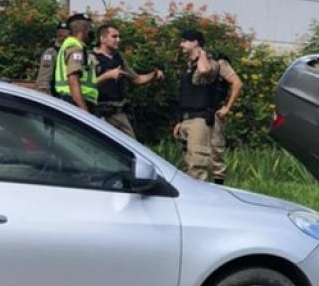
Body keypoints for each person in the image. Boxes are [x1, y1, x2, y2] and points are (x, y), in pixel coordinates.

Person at [92, 23, 164, 139]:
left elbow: (137, 79)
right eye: (114, 37)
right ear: (103, 39)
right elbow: (86, 85)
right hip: (101, 113)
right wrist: (107, 76)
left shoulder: (118, 59)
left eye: (119, 37)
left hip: (119, 113)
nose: (118, 40)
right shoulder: (92, 58)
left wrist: (154, 74)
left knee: (131, 146)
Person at [173, 29, 216, 181]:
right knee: (187, 163)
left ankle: (199, 200)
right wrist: (180, 121)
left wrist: (202, 53)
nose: (181, 44)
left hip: (199, 120)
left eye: (184, 41)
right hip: (186, 119)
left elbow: (204, 70)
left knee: (198, 165)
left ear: (195, 42)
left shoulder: (207, 62)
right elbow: (186, 95)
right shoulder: (187, 66)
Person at [207, 51, 243, 185]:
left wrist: (227, 107)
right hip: (199, 113)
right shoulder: (195, 63)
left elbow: (237, 83)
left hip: (215, 111)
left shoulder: (219, 62)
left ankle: (218, 189)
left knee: (215, 152)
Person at [53, 13, 100, 112]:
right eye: (90, 28)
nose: (91, 32)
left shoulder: (75, 46)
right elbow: (73, 79)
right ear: (83, 30)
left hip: (73, 100)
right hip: (75, 102)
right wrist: (84, 110)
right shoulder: (75, 48)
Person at [34, 23, 69, 94]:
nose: (63, 34)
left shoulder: (69, 50)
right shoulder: (51, 52)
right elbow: (44, 79)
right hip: (55, 95)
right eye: (61, 32)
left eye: (65, 32)